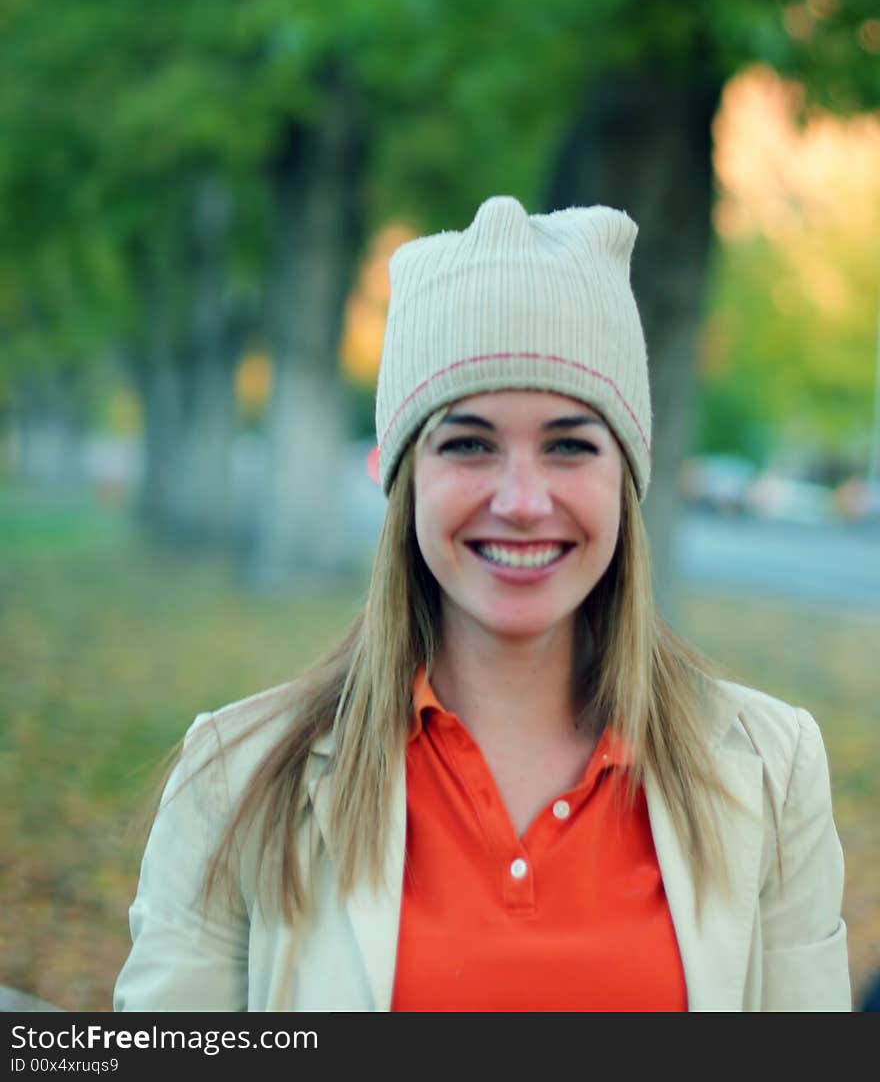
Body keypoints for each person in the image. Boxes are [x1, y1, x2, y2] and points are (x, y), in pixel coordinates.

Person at [114, 196, 851, 1012]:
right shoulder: (236, 779)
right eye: (469, 443)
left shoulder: (771, 773)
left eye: (570, 444)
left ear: (626, 478)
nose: (524, 500)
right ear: (407, 481)